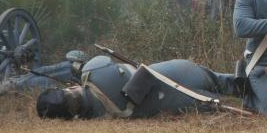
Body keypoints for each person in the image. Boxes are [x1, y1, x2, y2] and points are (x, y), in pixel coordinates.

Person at [36, 54, 239, 119]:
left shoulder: (96, 117)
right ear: (69, 90)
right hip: (178, 72)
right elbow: (112, 63)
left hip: (184, 103)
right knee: (224, 82)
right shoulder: (92, 71)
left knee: (224, 94)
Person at [0, 50, 89, 99]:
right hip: (45, 79)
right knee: (17, 82)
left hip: (46, 82)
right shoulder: (68, 66)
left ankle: (3, 86)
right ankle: (2, 86)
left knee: (16, 84)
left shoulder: (69, 67)